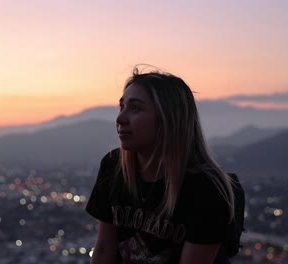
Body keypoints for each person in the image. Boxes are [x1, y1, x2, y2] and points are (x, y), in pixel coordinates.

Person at [86, 66, 237, 263]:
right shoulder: (113, 167)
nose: (120, 119)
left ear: (168, 118)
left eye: (135, 108)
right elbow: (104, 251)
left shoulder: (205, 188)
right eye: (122, 107)